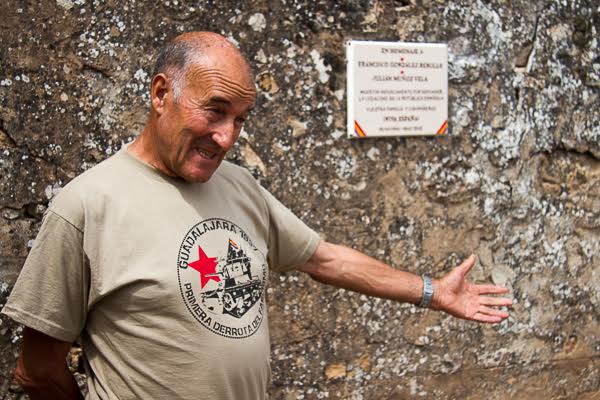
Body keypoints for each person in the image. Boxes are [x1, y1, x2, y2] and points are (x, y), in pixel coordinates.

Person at [2, 32, 512, 400]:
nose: (227, 137)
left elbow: (324, 259)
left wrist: (432, 292)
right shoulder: (87, 205)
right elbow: (37, 370)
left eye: (240, 119)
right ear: (161, 94)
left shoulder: (238, 184)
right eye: (215, 110)